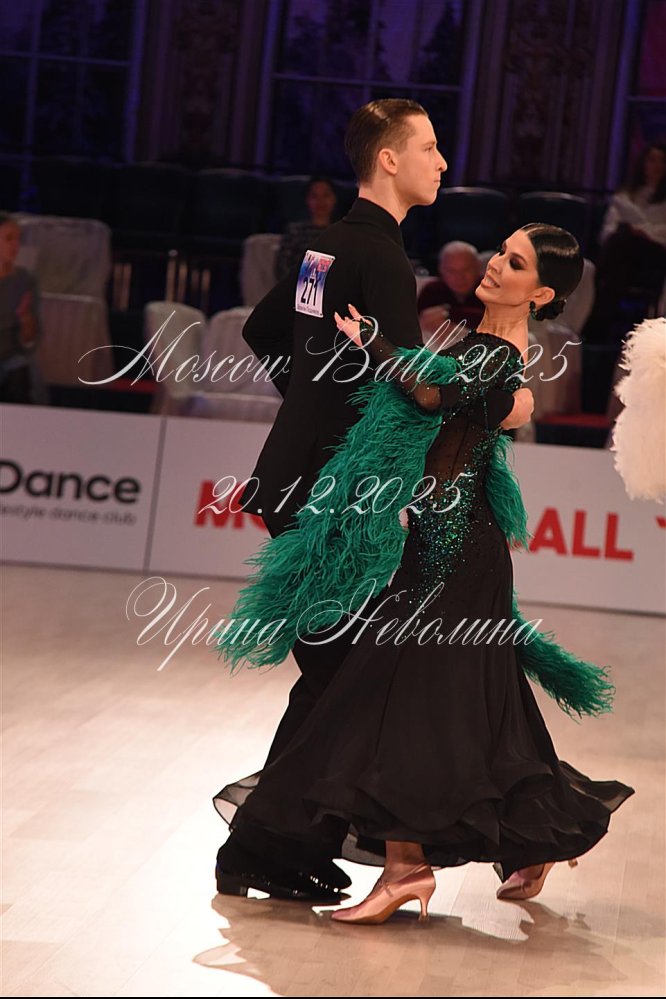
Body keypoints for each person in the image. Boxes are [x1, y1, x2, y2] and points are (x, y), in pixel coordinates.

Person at [213, 222, 634, 925]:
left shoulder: (499, 352)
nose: (496, 265)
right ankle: (527, 835)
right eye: (502, 252)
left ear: (542, 294)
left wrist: (373, 343)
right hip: (444, 539)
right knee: (479, 702)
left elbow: (433, 396)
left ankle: (406, 867)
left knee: (402, 699)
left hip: (454, 550)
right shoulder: (485, 343)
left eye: (516, 263)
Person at [213, 99, 535, 902]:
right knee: (351, 676)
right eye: (429, 147)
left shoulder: (325, 245)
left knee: (339, 674)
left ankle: (274, 845)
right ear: (388, 159)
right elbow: (412, 395)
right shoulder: (385, 260)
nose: (443, 162)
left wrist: (312, 409)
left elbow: (263, 332)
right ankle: (262, 847)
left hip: (296, 478)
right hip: (330, 496)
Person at [583, 143, 666, 344]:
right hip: (623, 254)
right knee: (620, 252)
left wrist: (643, 232)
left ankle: (595, 325)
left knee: (623, 245)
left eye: (661, 161)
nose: (656, 166)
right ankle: (600, 330)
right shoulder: (625, 196)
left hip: (655, 255)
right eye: (652, 160)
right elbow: (607, 231)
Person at [0, 212, 42, 404]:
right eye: (9, 239)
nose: (15, 245)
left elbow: (30, 340)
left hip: (10, 356)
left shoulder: (25, 280)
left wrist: (26, 319)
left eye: (18, 239)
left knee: (19, 374)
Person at [274, 176, 338, 281]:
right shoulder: (295, 231)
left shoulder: (342, 233)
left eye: (326, 195)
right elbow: (282, 267)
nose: (321, 201)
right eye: (314, 196)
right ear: (307, 200)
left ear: (334, 199)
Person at [417, 240, 484, 334]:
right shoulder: (432, 290)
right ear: (441, 270)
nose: (459, 277)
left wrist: (448, 313)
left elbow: (494, 320)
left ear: (478, 267)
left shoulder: (492, 289)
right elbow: (419, 321)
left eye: (466, 269)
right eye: (451, 271)